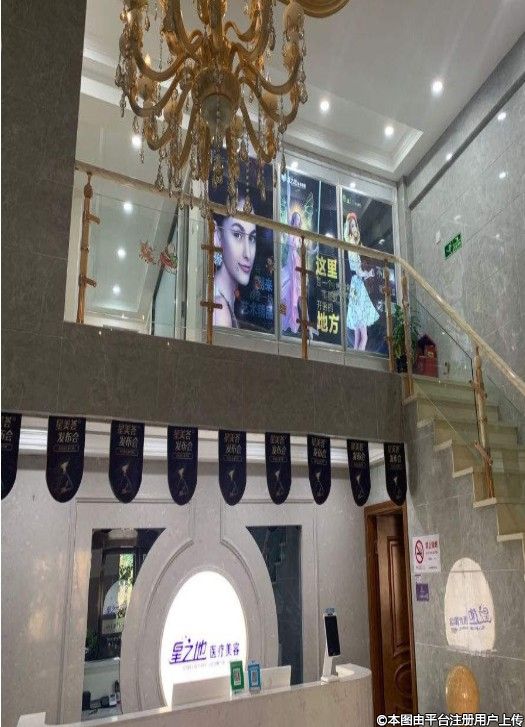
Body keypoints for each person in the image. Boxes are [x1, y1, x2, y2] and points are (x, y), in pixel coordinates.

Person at [213, 210, 257, 328]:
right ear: (217, 235)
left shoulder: (227, 301)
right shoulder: (219, 307)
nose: (247, 254)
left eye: (252, 238)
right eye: (237, 235)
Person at [345, 212, 379, 351]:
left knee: (358, 335)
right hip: (358, 285)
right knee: (364, 336)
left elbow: (357, 271)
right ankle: (359, 358)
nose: (355, 228)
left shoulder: (352, 245)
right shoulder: (352, 247)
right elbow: (358, 271)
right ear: (349, 229)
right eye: (352, 226)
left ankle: (355, 356)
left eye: (355, 225)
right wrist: (368, 273)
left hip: (356, 284)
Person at [280, 211, 303, 334]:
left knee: (294, 293)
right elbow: (284, 241)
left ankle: (293, 323)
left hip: (295, 260)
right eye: (296, 219)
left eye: (299, 219)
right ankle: (282, 321)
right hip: (289, 259)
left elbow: (301, 247)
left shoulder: (299, 236)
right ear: (293, 220)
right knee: (284, 294)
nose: (297, 221)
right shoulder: (289, 231)